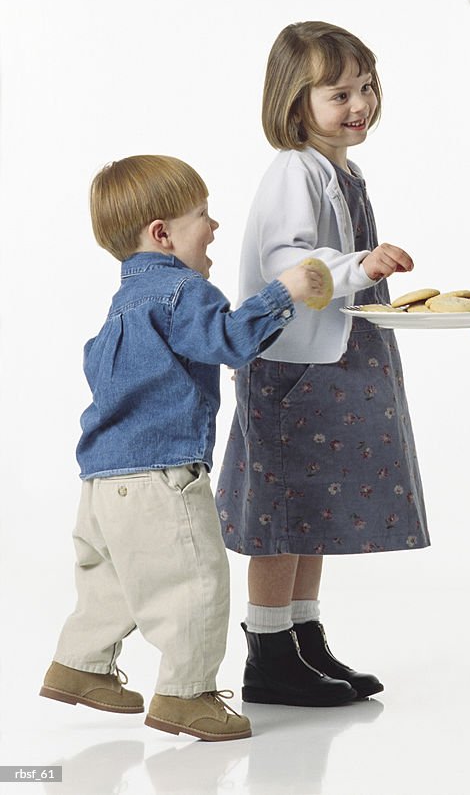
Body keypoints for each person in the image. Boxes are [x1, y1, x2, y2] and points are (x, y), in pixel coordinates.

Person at [40, 155, 325, 741]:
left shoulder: (124, 303)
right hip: (163, 476)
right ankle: (186, 694)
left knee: (111, 578)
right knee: (193, 583)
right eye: (202, 215)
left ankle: (80, 664)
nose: (214, 226)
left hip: (101, 480)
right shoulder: (181, 290)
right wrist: (285, 292)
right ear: (162, 234)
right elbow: (228, 340)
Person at [217, 21, 428, 707]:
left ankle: (304, 639)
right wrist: (356, 267)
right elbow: (286, 262)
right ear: (294, 100)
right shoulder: (294, 171)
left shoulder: (341, 169)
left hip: (332, 357)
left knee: (313, 505)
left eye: (366, 88)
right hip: (290, 367)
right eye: (339, 93)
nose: (359, 103)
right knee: (280, 512)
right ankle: (269, 653)